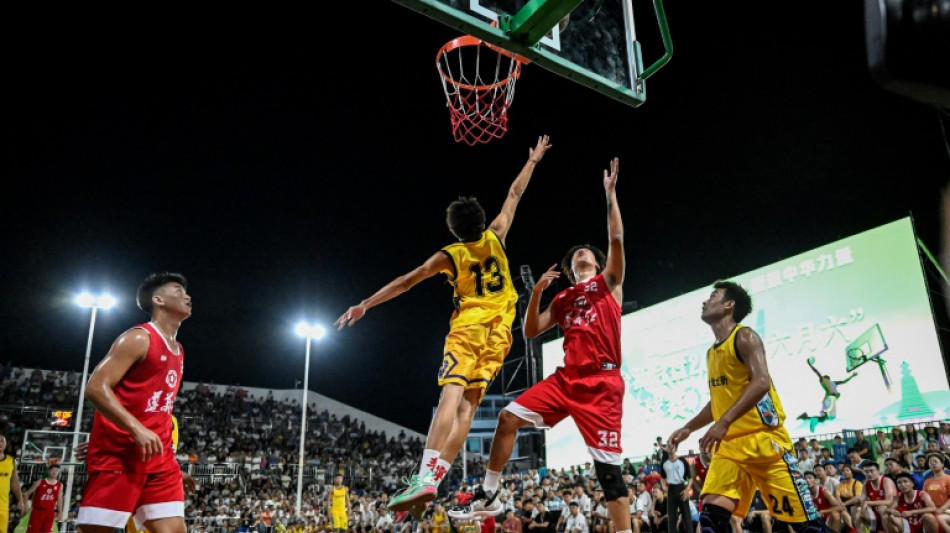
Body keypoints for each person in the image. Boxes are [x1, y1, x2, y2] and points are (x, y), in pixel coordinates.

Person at [334, 135, 553, 511]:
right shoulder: (497, 234)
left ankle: (423, 477)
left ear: (454, 230)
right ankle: (434, 479)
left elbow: (407, 280)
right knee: (468, 407)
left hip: (469, 325)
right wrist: (532, 161)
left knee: (449, 396)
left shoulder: (450, 255)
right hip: (501, 332)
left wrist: (365, 304)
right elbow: (514, 195)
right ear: (482, 221)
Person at [449, 157, 630, 533]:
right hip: (566, 381)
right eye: (577, 252)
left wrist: (610, 195)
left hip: (601, 384)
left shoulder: (608, 284)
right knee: (507, 418)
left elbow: (616, 239)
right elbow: (531, 331)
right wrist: (536, 295)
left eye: (588, 252)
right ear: (569, 267)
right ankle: (490, 493)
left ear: (597, 263)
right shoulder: (563, 299)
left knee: (609, 473)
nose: (582, 252)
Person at [666, 281, 827, 533]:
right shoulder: (711, 353)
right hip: (730, 448)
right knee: (709, 523)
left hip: (765, 443)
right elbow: (719, 402)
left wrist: (724, 422)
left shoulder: (744, 336)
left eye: (713, 296)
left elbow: (761, 381)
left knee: (806, 529)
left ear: (729, 305)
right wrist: (688, 428)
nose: (705, 301)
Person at [76, 272, 191, 533]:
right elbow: (96, 387)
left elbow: (151, 405)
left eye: (186, 292)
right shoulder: (139, 338)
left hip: (160, 458)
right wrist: (134, 429)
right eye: (178, 290)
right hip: (121, 455)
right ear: (158, 299)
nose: (187, 296)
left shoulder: (179, 350)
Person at [796, 358, 857, 433]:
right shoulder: (829, 382)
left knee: (824, 418)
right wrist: (810, 364)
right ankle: (809, 418)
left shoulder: (830, 382)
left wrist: (852, 376)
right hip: (828, 401)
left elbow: (843, 381)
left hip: (828, 401)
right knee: (825, 418)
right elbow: (843, 381)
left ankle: (805, 417)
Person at [853, 461, 896, 533]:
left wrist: (868, 503)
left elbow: (889, 501)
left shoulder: (886, 481)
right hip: (875, 511)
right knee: (856, 512)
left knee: (882, 508)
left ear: (878, 471)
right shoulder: (866, 483)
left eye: (871, 471)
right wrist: (858, 502)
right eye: (866, 472)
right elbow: (862, 499)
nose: (869, 474)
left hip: (891, 510)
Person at [23, 464, 63, 533]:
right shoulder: (39, 482)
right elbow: (27, 494)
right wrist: (25, 506)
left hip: (50, 512)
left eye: (57, 471)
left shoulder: (60, 485)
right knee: (33, 531)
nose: (55, 472)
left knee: (47, 531)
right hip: (37, 512)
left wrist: (60, 512)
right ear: (48, 471)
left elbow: (59, 499)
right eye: (53, 470)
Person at [0, 434, 26, 533]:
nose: (0, 443)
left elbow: (15, 483)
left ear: (6, 444)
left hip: (3, 505)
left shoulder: (11, 461)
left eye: (3, 441)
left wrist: (20, 500)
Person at [662, 448, 692, 533]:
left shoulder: (682, 460)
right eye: (669, 446)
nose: (671, 448)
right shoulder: (664, 462)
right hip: (671, 489)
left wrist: (687, 489)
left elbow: (690, 477)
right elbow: (662, 476)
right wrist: (663, 485)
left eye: (672, 446)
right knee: (671, 518)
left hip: (681, 488)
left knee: (686, 516)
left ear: (676, 448)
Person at [920, 453, 950, 533]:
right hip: (932, 509)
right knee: (926, 517)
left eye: (935, 461)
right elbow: (923, 495)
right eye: (930, 462)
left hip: (946, 510)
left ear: (942, 464)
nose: (933, 464)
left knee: (940, 518)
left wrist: (941, 509)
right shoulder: (927, 481)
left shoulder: (948, 479)